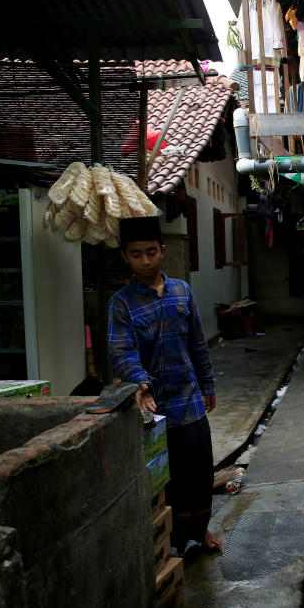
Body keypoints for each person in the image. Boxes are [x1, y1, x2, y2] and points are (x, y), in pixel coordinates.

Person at [107, 216, 222, 552]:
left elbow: (198, 342)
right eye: (136, 254)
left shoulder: (182, 292)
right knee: (161, 478)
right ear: (125, 257)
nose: (145, 261)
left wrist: (208, 383)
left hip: (188, 400)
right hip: (151, 409)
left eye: (151, 252)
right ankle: (167, 541)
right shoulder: (121, 304)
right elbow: (120, 352)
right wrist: (140, 382)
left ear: (163, 251)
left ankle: (199, 531)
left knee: (199, 474)